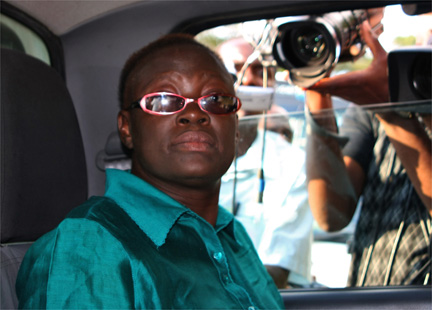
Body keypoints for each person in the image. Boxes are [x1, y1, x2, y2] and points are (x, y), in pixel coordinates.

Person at [15, 34, 284, 309]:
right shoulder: (90, 244)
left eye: (215, 100)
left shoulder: (231, 232)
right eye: (163, 100)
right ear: (127, 129)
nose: (194, 113)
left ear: (236, 129)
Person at [305, 18, 431, 286]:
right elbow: (332, 214)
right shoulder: (374, 105)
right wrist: (315, 84)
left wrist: (392, 114)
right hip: (369, 294)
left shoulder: (382, 103)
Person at [217, 37, 313, 288]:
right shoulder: (182, 157)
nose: (247, 80)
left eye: (260, 70)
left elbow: (276, 272)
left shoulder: (293, 162)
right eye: (234, 70)